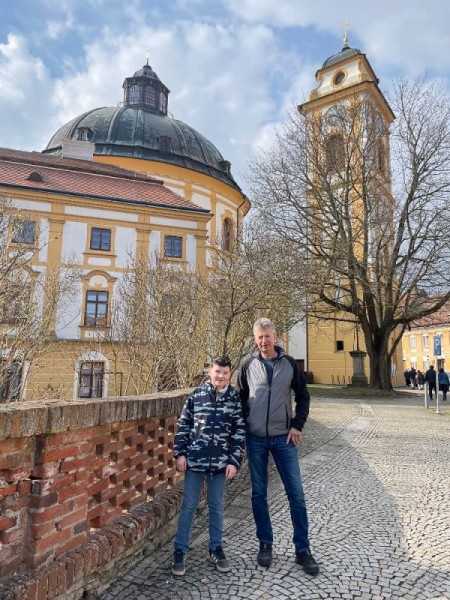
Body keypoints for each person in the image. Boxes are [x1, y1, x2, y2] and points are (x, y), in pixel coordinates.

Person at [236, 317, 319, 576]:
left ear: (275, 336)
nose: (264, 341)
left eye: (267, 336)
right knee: (259, 494)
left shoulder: (289, 363)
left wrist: (297, 425)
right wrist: (246, 424)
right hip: (256, 439)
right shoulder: (248, 365)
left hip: (284, 438)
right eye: (259, 337)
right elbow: (240, 399)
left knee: (296, 494)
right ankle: (265, 544)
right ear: (255, 339)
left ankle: (303, 549)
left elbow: (303, 396)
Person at [171, 355, 245, 576]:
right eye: (217, 371)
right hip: (195, 460)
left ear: (230, 374)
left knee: (217, 506)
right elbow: (184, 424)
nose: (220, 376)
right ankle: (180, 550)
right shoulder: (197, 394)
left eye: (225, 372)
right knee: (189, 505)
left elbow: (239, 432)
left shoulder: (234, 399)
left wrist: (234, 461)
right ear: (210, 372)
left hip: (221, 463)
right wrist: (180, 453)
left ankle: (215, 548)